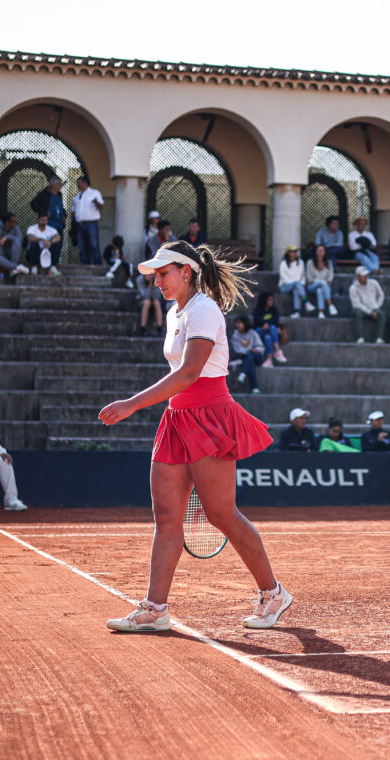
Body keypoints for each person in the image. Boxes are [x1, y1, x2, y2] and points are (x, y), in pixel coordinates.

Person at [99, 240, 290, 632]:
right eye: (155, 276)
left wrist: (132, 403)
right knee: (167, 516)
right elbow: (180, 380)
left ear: (186, 271)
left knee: (222, 514)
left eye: (163, 274)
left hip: (210, 417)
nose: (157, 282)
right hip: (176, 419)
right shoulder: (176, 313)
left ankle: (273, 594)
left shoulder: (204, 309)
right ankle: (155, 609)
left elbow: (189, 374)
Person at [29, 176, 66, 264]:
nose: (60, 186)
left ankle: (54, 265)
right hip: (49, 224)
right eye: (58, 184)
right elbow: (33, 204)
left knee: (57, 245)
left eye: (61, 184)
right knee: (46, 245)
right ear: (53, 184)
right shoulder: (44, 194)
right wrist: (44, 212)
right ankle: (43, 263)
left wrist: (64, 215)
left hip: (59, 225)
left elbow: (60, 207)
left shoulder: (59, 195)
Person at [71, 176, 105, 265]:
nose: (78, 185)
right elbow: (73, 210)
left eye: (79, 183)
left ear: (85, 183)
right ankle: (85, 265)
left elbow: (101, 206)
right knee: (82, 246)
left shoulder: (94, 193)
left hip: (91, 224)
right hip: (79, 224)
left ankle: (98, 266)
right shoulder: (77, 196)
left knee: (94, 245)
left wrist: (96, 202)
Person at [0, 212, 29, 280]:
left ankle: (12, 267)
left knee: (17, 243)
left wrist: (8, 237)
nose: (15, 223)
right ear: (7, 222)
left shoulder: (16, 227)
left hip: (10, 254)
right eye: (13, 221)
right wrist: (4, 262)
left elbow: (20, 239)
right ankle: (16, 267)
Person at [349, 266, 386, 344]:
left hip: (374, 308)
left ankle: (379, 338)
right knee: (358, 314)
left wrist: (377, 307)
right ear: (358, 276)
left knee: (382, 315)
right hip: (362, 310)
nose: (365, 277)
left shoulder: (374, 283)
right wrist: (369, 312)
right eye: (363, 275)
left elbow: (381, 295)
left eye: (366, 275)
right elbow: (356, 304)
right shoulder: (353, 288)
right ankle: (360, 338)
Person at [229, 315, 263, 394]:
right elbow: (237, 349)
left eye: (239, 323)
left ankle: (243, 373)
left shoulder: (253, 333)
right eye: (237, 323)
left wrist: (255, 350)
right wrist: (249, 350)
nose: (237, 325)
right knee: (250, 361)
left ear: (245, 324)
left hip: (257, 356)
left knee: (250, 356)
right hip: (245, 357)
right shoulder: (236, 335)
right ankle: (255, 388)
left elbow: (260, 346)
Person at [252, 291, 288, 364]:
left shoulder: (273, 309)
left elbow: (276, 319)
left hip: (269, 332)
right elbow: (256, 322)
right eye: (269, 300)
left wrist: (268, 324)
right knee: (271, 328)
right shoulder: (258, 310)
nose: (271, 302)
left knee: (268, 337)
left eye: (272, 300)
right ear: (264, 300)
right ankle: (277, 351)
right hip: (260, 331)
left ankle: (269, 359)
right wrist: (265, 325)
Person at [305, 244, 338, 316]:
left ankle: (321, 312)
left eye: (322, 251)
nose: (320, 252)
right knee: (322, 283)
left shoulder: (329, 263)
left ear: (325, 252)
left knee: (320, 290)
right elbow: (309, 279)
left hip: (324, 287)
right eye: (319, 250)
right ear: (315, 252)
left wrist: (323, 283)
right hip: (312, 286)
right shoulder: (310, 262)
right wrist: (321, 282)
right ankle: (330, 304)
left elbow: (330, 277)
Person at [26, 213, 63, 277]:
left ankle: (53, 267)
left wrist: (50, 242)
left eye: (45, 220)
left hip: (47, 253)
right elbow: (30, 237)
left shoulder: (50, 229)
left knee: (57, 245)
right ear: (38, 220)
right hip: (36, 253)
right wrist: (41, 240)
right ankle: (34, 267)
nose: (44, 222)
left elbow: (58, 237)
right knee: (33, 245)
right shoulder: (32, 228)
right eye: (42, 220)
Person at [278, 245, 307, 317]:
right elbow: (284, 279)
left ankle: (296, 312)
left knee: (296, 290)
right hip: (285, 287)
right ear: (288, 253)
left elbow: (303, 276)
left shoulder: (301, 262)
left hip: (297, 287)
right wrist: (296, 283)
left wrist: (301, 284)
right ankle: (306, 302)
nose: (295, 253)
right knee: (296, 285)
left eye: (296, 252)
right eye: (293, 252)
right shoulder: (283, 263)